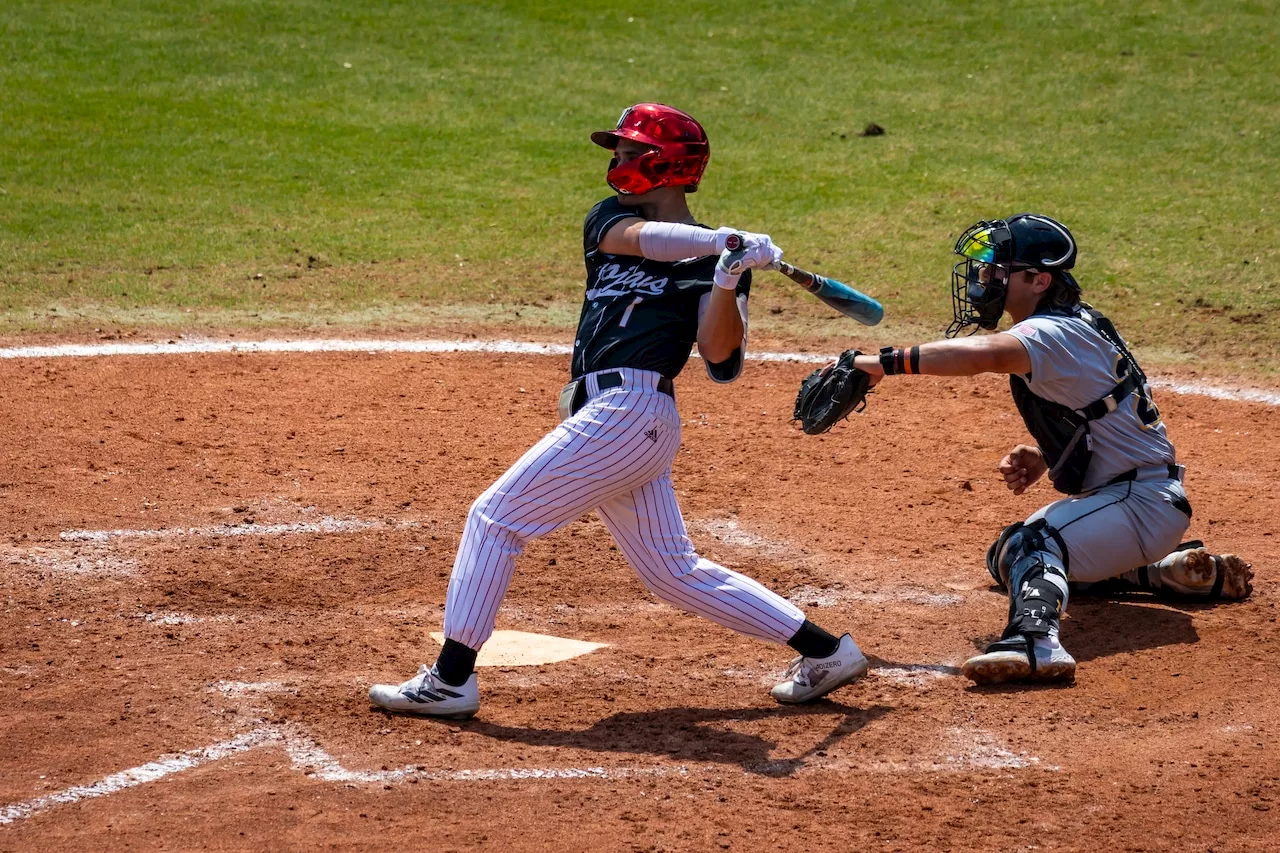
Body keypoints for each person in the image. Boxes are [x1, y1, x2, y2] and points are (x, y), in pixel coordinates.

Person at [368, 103, 868, 718]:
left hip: (634, 410)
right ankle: (827, 651)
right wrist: (719, 242)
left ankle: (450, 680)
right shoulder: (612, 220)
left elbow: (718, 353)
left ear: (669, 164)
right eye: (619, 152)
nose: (617, 163)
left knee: (495, 520)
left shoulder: (721, 264)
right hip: (613, 414)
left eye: (631, 154)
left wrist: (726, 277)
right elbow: (645, 241)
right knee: (672, 572)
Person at [844, 213, 1252, 685]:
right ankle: (1157, 572)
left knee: (1032, 545)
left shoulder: (1051, 333)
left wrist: (879, 364)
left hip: (1140, 505)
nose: (983, 280)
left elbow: (986, 356)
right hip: (1132, 502)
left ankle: (1037, 643)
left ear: (1038, 279)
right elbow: (1100, 412)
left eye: (998, 269)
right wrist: (1048, 454)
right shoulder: (1069, 325)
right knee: (1004, 557)